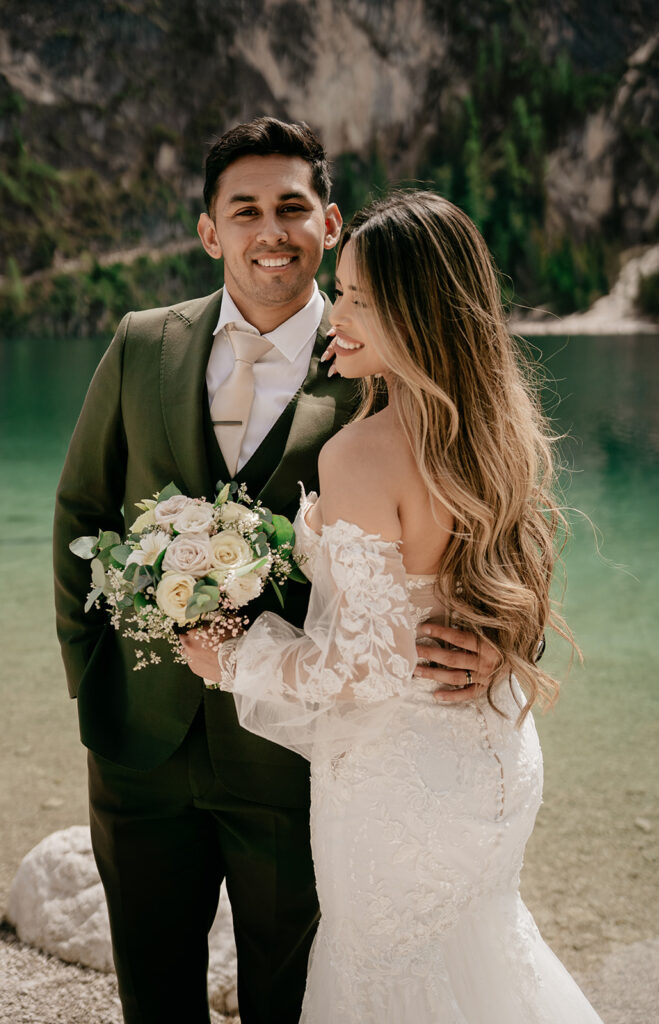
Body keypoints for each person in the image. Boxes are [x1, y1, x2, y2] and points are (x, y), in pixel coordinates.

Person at [53, 119, 495, 1024]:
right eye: (243, 209)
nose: (271, 230)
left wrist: (499, 639)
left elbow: (481, 509)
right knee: (153, 995)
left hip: (300, 763)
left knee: (291, 1001)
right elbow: (82, 513)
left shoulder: (383, 363)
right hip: (139, 745)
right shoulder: (142, 343)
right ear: (210, 231)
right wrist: (92, 683)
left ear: (329, 224)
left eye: (292, 207)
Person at [182, 191, 605, 1022]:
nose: (335, 312)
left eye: (359, 299)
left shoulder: (362, 452)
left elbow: (362, 667)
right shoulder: (498, 427)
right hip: (496, 752)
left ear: (417, 314)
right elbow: (510, 577)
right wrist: (505, 643)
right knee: (482, 956)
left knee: (388, 975)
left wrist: (230, 656)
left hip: (398, 782)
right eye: (340, 291)